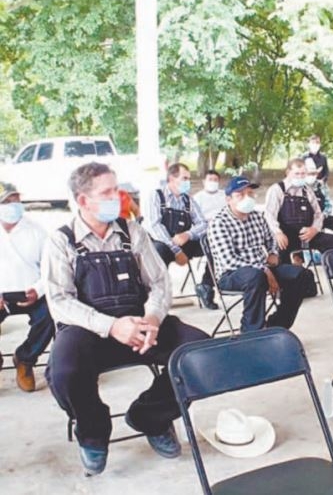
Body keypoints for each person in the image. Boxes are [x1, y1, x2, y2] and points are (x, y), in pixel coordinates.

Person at [43, 162, 208, 476]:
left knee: (200, 353)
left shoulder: (133, 232)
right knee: (62, 372)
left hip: (142, 326)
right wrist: (111, 326)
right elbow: (60, 300)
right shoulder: (61, 240)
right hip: (89, 331)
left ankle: (151, 417)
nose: (117, 197)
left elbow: (159, 282)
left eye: (116, 189)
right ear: (82, 201)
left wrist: (153, 318)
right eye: (107, 192)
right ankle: (93, 431)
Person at [207, 176, 309, 331]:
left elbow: (271, 239)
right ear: (228, 199)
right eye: (240, 195)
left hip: (263, 268)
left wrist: (273, 252)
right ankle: (251, 331)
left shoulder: (257, 216)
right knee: (255, 276)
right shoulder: (219, 222)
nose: (247, 197)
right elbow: (229, 260)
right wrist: (263, 269)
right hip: (232, 274)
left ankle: (278, 324)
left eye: (249, 193)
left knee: (302, 275)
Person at [265, 158, 333, 297]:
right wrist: (278, 233)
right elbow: (269, 215)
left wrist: (314, 229)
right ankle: (286, 292)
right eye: (297, 174)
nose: (300, 177)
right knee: (280, 252)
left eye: (303, 174)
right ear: (288, 172)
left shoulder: (307, 190)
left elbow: (318, 214)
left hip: (308, 234)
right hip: (286, 236)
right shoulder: (277, 190)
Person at [0, 182, 55, 391]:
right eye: (7, 202)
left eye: (16, 200)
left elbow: (50, 269)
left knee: (51, 314)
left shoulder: (36, 231)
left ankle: (25, 358)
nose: (14, 206)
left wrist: (37, 290)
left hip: (30, 291)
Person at [142, 163, 217, 309]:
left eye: (188, 179)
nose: (187, 182)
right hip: (163, 243)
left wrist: (188, 234)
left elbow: (203, 224)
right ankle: (156, 299)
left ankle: (206, 286)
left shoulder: (188, 200)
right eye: (184, 178)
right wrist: (176, 249)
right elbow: (154, 225)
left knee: (213, 243)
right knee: (158, 251)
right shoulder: (156, 196)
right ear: (171, 178)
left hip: (184, 242)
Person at [304, 157, 333, 246]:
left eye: (314, 173)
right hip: (307, 221)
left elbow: (328, 205)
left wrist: (322, 216)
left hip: (321, 217)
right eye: (309, 173)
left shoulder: (322, 185)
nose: (312, 176)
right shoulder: (299, 187)